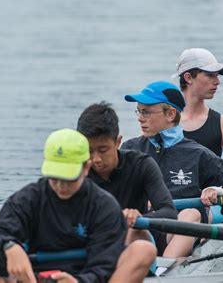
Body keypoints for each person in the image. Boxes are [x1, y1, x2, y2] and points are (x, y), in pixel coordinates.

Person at [0, 128, 155, 283]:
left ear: (86, 167)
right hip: (32, 279)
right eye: (55, 177)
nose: (61, 186)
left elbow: (105, 265)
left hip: (81, 278)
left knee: (143, 250)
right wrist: (9, 247)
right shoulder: (28, 198)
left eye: (68, 178)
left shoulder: (103, 206)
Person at [121, 81, 223, 258]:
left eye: (147, 112)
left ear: (170, 114)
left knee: (190, 214)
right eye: (139, 110)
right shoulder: (130, 149)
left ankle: (166, 272)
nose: (140, 117)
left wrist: (221, 192)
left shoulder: (198, 154)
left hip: (179, 230)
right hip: (143, 227)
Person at [76, 102, 177, 253]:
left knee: (134, 232)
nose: (95, 159)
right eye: (89, 151)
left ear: (118, 142)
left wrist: (140, 218)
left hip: (136, 240)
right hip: (95, 242)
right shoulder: (75, 171)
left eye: (103, 150)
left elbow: (169, 212)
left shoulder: (141, 165)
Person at [172, 48, 223, 169]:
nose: (217, 81)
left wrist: (202, 158)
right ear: (188, 78)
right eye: (210, 75)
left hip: (211, 187)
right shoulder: (163, 120)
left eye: (217, 75)